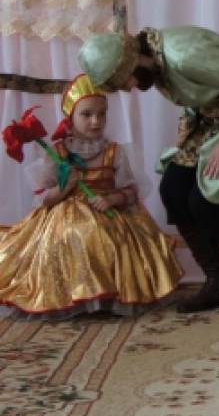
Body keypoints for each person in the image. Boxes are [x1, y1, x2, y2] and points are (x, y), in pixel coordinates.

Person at [77, 26, 219, 312]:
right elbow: (200, 93)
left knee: (206, 196)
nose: (128, 88)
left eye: (124, 81)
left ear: (131, 63)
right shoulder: (157, 62)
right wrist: (187, 132)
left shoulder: (183, 55)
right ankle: (218, 281)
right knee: (173, 189)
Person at [0, 74, 183, 319]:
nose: (95, 121)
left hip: (108, 210)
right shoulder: (58, 153)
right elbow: (43, 199)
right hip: (64, 215)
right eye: (86, 114)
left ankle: (108, 295)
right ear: (71, 117)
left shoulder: (114, 151)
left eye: (101, 114)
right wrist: (66, 187)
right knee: (75, 234)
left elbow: (131, 190)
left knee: (111, 238)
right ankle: (75, 295)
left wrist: (113, 199)